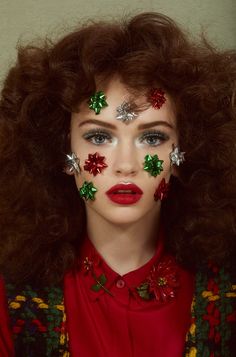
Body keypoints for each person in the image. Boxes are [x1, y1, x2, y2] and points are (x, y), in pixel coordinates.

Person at [0, 11, 235, 357]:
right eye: (98, 136)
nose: (126, 165)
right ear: (61, 150)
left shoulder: (227, 293)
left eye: (153, 137)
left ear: (185, 152)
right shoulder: (12, 300)